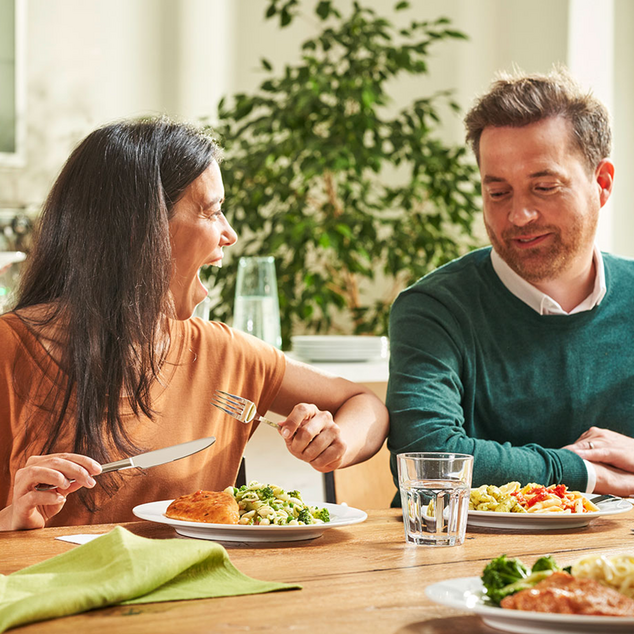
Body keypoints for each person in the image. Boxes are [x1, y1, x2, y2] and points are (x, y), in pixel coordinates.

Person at [0, 116, 389, 531]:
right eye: (212, 211)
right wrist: (8, 522)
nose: (230, 233)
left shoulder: (225, 355)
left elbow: (364, 404)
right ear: (139, 229)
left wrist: (337, 442)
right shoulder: (8, 352)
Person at [386, 67, 634, 500]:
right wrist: (582, 473)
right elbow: (426, 459)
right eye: (498, 193)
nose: (519, 215)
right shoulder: (433, 308)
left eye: (544, 187)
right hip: (462, 561)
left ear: (603, 183)